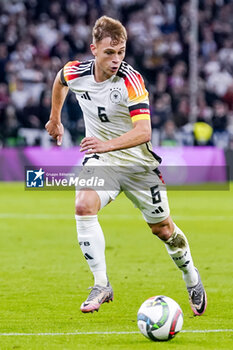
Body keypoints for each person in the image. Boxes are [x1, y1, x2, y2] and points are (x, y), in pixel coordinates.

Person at [45, 16, 207, 315]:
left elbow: (144, 132)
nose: (116, 59)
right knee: (83, 205)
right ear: (94, 49)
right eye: (109, 52)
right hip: (102, 160)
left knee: (163, 229)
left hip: (138, 165)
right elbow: (60, 80)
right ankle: (102, 284)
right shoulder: (76, 71)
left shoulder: (131, 81)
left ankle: (191, 276)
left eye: (121, 52)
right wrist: (55, 119)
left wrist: (104, 143)